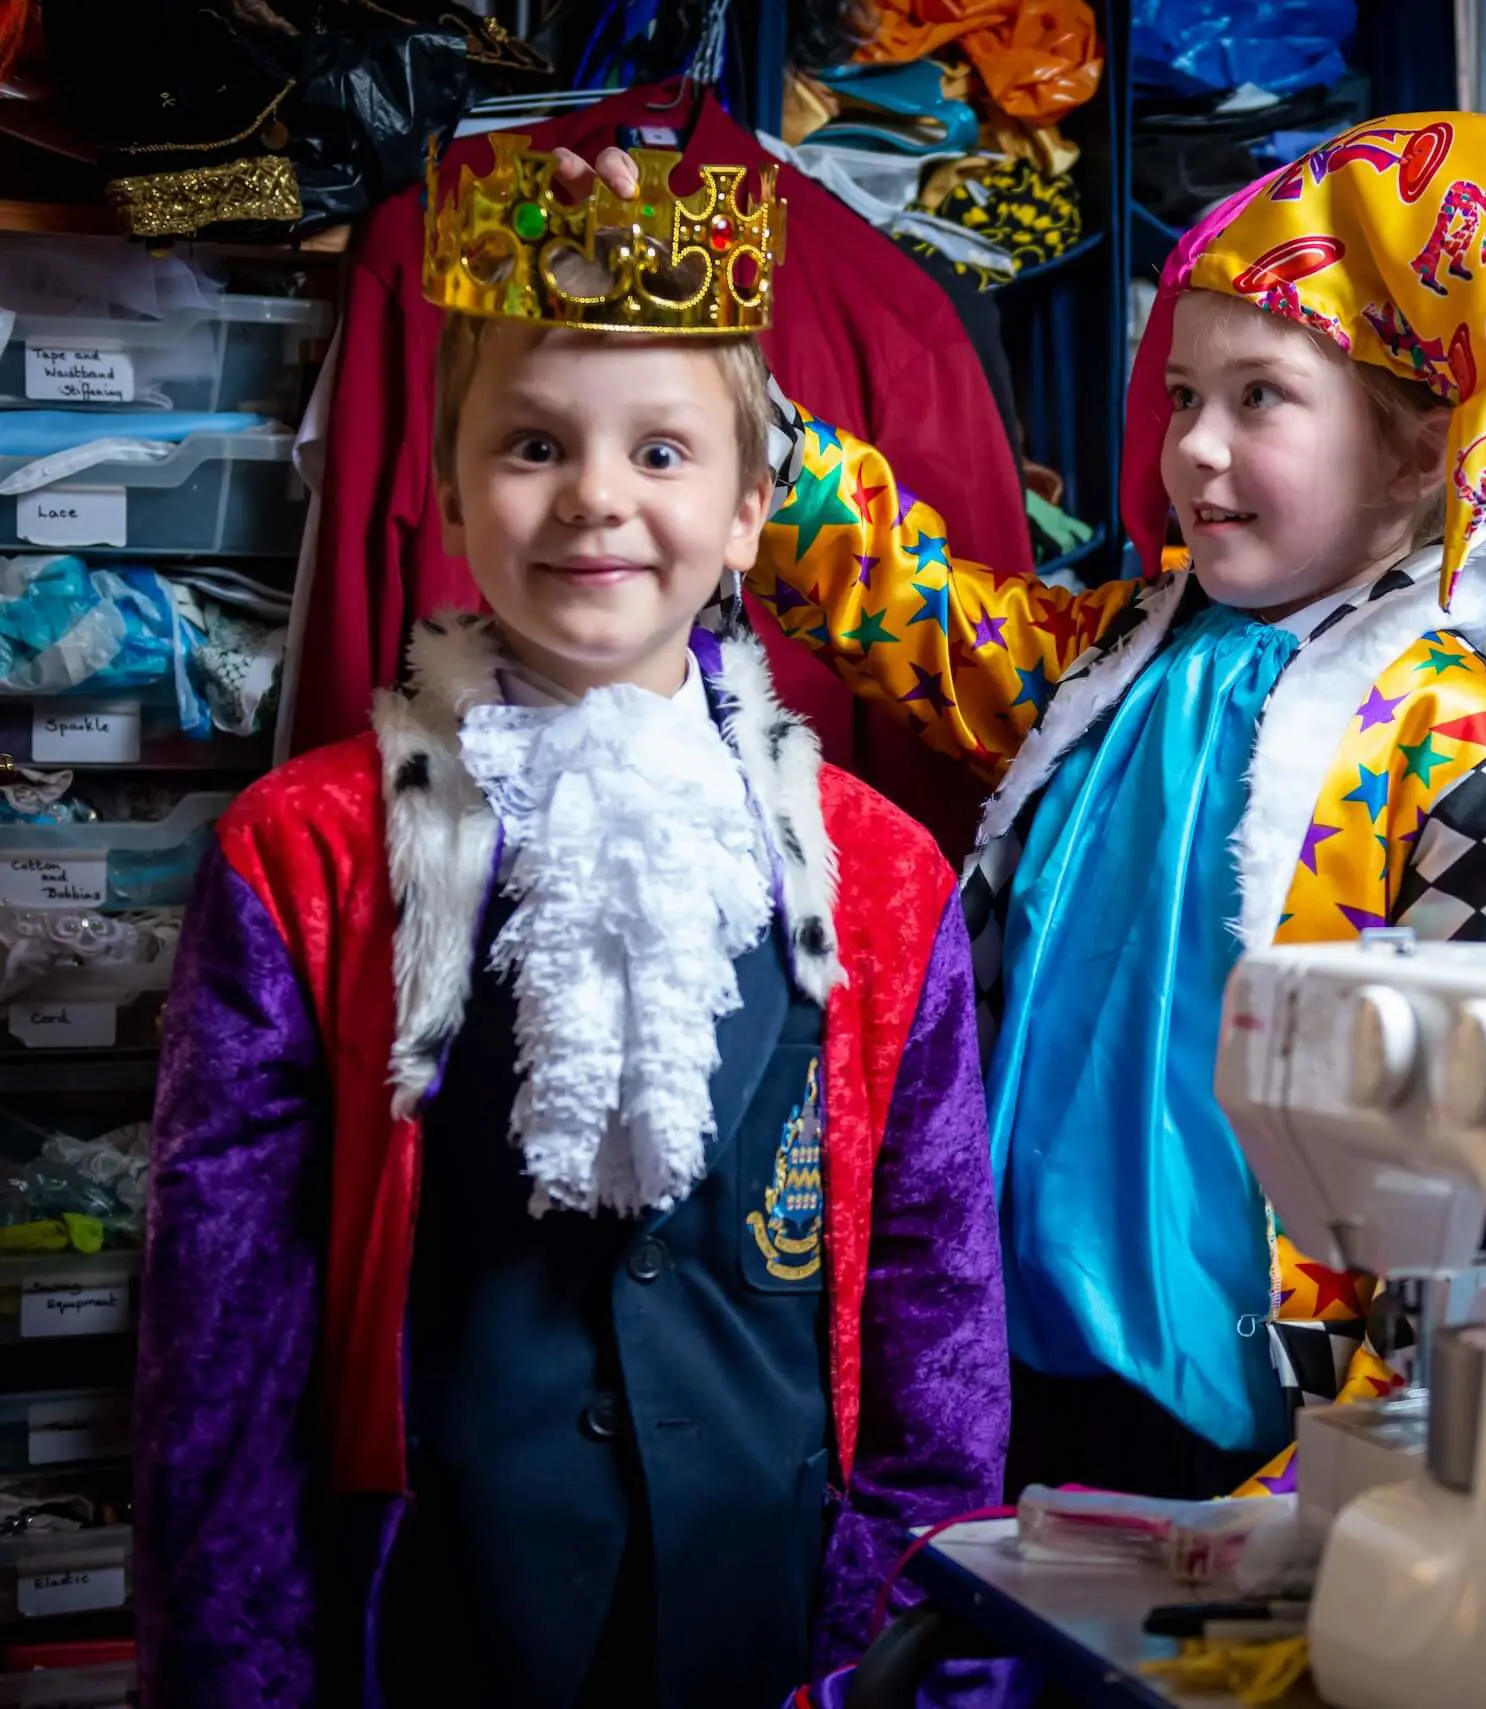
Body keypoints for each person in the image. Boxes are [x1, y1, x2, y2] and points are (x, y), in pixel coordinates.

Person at [132, 137, 1006, 1709]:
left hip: (774, 1616)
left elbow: (937, 1288)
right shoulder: (307, 854)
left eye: (662, 454)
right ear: (453, 495)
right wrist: (237, 1669)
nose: (597, 497)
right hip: (437, 1620)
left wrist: (892, 1628)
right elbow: (223, 1328)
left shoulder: (880, 875)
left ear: (752, 510)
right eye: (532, 445)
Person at [666, 110, 1486, 1502]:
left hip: (1270, 1437)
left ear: (1421, 448)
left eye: (1259, 399)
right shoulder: (1109, 660)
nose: (1195, 450)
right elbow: (908, 601)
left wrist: (1353, 1492)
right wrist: (701, 380)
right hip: (1009, 1370)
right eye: (1181, 397)